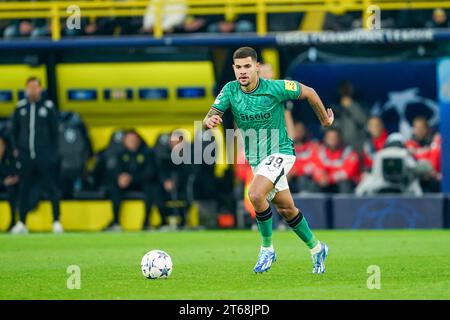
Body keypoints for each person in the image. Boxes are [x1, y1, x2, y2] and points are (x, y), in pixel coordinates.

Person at [202, 47, 333, 274]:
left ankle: (267, 248)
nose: (243, 72)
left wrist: (324, 120)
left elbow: (310, 92)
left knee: (255, 194)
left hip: (281, 152)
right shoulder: (230, 90)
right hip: (257, 160)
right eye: (239, 67)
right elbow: (210, 115)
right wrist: (211, 120)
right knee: (286, 209)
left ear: (257, 68)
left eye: (247, 66)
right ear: (234, 69)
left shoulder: (275, 88)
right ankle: (317, 248)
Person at [10, 77, 63, 234]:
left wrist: (53, 154)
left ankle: (56, 221)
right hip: (26, 155)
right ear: (26, 89)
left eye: (35, 87)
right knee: (23, 189)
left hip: (44, 156)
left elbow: (55, 132)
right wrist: (16, 150)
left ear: (40, 89)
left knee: (52, 188)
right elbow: (13, 132)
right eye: (30, 87)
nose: (33, 90)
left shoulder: (48, 107)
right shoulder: (20, 108)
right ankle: (22, 223)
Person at [105, 130, 157, 231]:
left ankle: (146, 222)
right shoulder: (120, 155)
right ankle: (115, 222)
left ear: (139, 140)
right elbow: (114, 171)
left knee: (151, 188)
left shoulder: (147, 154)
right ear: (124, 141)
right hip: (125, 184)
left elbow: (150, 173)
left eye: (134, 140)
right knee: (114, 188)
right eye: (129, 140)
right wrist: (120, 177)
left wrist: (132, 178)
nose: (131, 142)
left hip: (141, 182)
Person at [356, 133, 427, 196]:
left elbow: (375, 173)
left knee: (360, 189)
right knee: (416, 187)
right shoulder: (405, 153)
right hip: (402, 185)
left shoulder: (380, 154)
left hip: (380, 185)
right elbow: (413, 168)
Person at [311, 128, 361, 193]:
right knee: (314, 183)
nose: (332, 140)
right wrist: (320, 177)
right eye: (330, 137)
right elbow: (316, 167)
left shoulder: (349, 152)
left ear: (340, 138)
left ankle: (345, 202)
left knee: (345, 183)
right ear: (325, 139)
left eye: (335, 137)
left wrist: (330, 178)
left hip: (343, 184)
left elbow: (348, 172)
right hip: (326, 183)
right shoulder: (320, 151)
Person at [405, 116, 441, 192]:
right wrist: (427, 152)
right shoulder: (409, 143)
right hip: (415, 180)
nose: (419, 131)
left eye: (422, 128)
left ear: (427, 129)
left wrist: (418, 152)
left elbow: (433, 165)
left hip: (432, 180)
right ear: (413, 129)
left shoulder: (434, 143)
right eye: (417, 128)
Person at [334, 80, 368, 155]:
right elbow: (327, 126)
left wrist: (351, 105)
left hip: (357, 145)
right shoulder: (335, 105)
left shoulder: (360, 103)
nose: (344, 90)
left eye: (347, 88)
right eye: (342, 88)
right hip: (339, 147)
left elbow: (364, 120)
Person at [287, 121, 319, 193]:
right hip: (290, 180)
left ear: (306, 131)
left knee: (303, 178)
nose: (299, 132)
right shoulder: (286, 147)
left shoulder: (313, 146)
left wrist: (295, 170)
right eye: (296, 130)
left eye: (301, 130)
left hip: (308, 180)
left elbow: (315, 164)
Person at [0, 136, 19, 230]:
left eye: (1, 145)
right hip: (3, 184)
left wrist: (14, 179)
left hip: (8, 186)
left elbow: (15, 173)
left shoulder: (9, 158)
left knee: (12, 190)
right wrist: (3, 181)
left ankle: (14, 221)